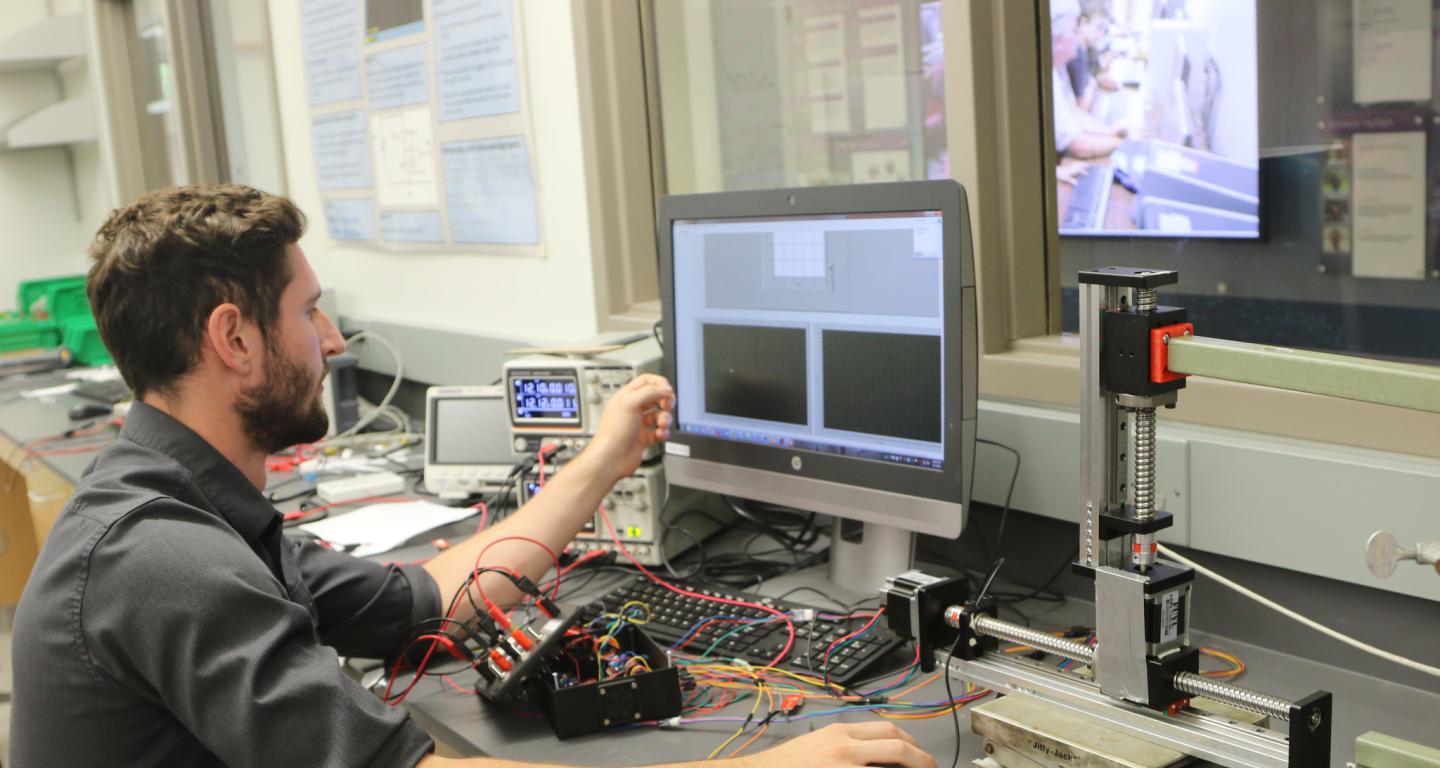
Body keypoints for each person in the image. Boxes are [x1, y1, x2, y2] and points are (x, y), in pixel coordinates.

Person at [9, 185, 936, 768]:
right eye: (311, 312)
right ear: (234, 339)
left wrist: (603, 458)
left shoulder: (192, 506)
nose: (333, 342)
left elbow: (432, 602)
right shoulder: (163, 561)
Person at [1051, 0, 1125, 163]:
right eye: (1072, 30)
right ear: (1056, 37)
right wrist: (1125, 143)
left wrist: (1108, 131)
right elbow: (1081, 146)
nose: (1076, 36)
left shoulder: (1058, 69)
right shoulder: (1049, 73)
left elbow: (1074, 111)